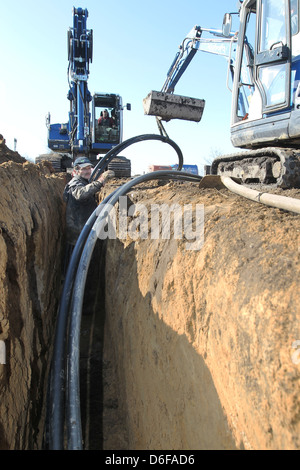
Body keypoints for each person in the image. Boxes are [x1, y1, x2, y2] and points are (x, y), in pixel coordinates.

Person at [63, 156, 114, 268]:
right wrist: (100, 182)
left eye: (88, 168)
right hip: (77, 238)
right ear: (76, 171)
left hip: (85, 233)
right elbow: (81, 194)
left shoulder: (84, 181)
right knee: (76, 268)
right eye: (83, 169)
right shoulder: (75, 183)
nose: (87, 171)